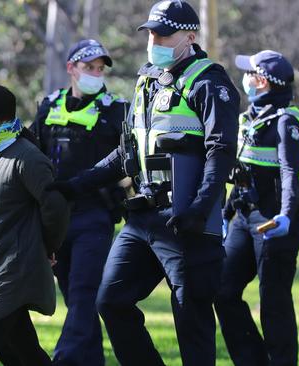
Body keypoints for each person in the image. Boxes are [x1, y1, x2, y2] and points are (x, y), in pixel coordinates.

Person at [48, 1, 240, 364]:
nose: (155, 39)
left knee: (191, 319)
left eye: (163, 33)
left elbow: (221, 150)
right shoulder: (147, 80)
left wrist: (200, 207)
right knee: (110, 300)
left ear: (190, 36)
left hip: (187, 220)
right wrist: (76, 185)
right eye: (151, 32)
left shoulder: (209, 80)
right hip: (144, 218)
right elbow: (126, 153)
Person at [30, 38, 129, 366]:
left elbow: (131, 159)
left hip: (95, 215)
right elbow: (32, 153)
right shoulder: (49, 105)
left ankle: (63, 359)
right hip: (56, 219)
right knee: (76, 301)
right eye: (89, 68)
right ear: (71, 69)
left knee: (86, 294)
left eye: (100, 69)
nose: (95, 74)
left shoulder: (117, 110)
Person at [215, 50, 299, 366]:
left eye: (251, 74)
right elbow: (242, 173)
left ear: (264, 82)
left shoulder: (286, 122)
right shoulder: (250, 117)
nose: (245, 79)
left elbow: (288, 174)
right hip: (244, 216)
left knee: (274, 301)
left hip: (276, 221)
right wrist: (228, 212)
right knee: (223, 290)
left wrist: (285, 214)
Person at [0, 85, 70, 366]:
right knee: (21, 353)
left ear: (6, 119)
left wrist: (48, 245)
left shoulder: (29, 158)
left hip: (15, 269)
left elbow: (56, 207)